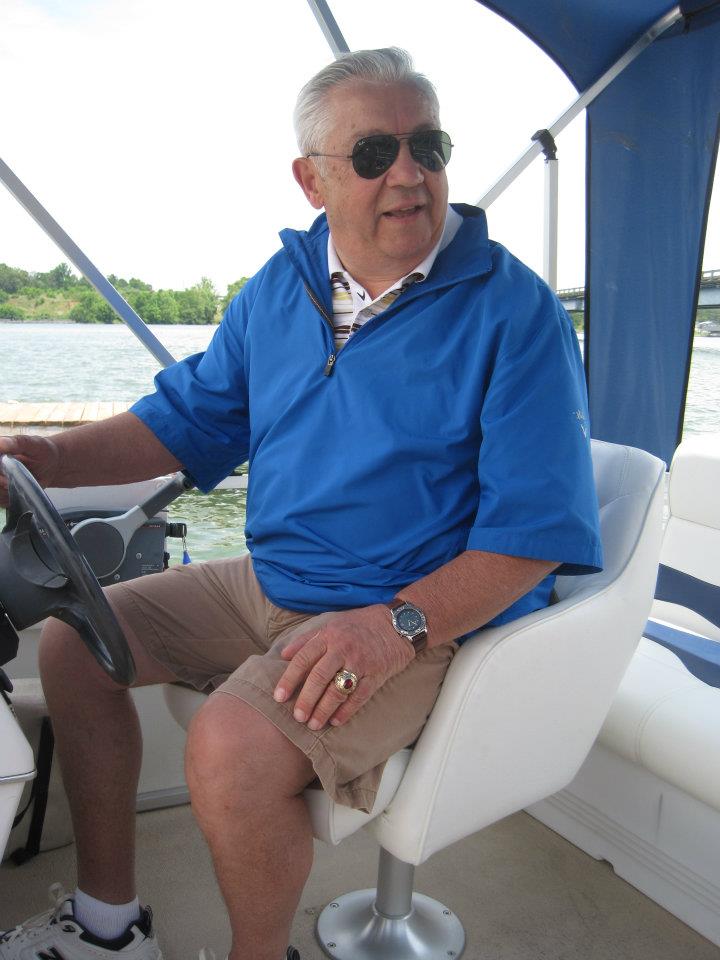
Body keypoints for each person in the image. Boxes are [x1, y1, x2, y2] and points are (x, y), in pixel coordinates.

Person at [0, 47, 601, 960]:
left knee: (231, 750)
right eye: (374, 154)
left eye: (428, 146)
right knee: (72, 647)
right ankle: (108, 927)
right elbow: (189, 422)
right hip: (274, 578)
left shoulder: (516, 314)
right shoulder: (281, 287)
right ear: (311, 180)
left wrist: (391, 627)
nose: (409, 173)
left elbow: (533, 537)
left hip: (407, 610)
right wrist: (47, 458)